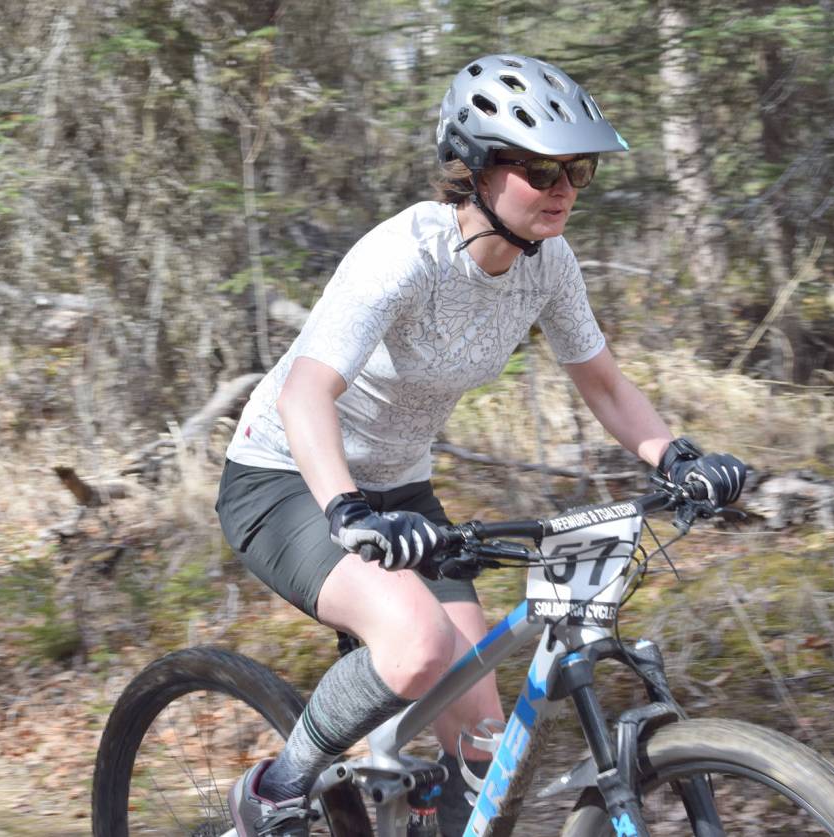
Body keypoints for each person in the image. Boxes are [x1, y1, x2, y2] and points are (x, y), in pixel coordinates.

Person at [215, 53, 746, 837]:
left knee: (484, 748)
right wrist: (345, 508)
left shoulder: (548, 265)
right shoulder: (404, 256)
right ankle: (277, 785)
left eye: (579, 171)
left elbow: (601, 382)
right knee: (418, 645)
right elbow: (305, 391)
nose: (564, 190)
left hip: (399, 492)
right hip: (288, 477)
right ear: (475, 169)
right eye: (541, 170)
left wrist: (674, 456)